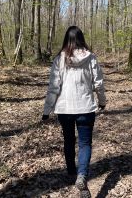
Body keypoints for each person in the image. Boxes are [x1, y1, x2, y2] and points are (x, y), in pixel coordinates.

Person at [42, 26, 106, 198]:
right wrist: (102, 102)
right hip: (86, 108)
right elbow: (98, 83)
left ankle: (71, 171)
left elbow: (53, 88)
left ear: (66, 40)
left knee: (69, 140)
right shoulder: (91, 57)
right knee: (85, 143)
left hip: (64, 109)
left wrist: (46, 110)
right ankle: (82, 175)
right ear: (81, 38)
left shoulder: (59, 59)